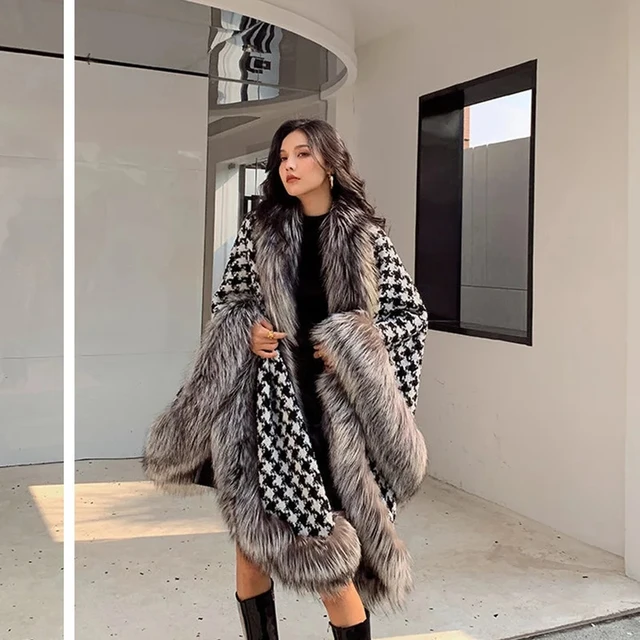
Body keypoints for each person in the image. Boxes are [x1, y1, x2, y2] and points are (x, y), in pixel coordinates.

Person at [142, 118, 429, 640]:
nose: (289, 166)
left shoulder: (367, 239)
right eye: (282, 158)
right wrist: (247, 328)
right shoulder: (261, 233)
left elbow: (410, 318)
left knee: (332, 571)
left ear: (330, 162)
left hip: (332, 426)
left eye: (302, 155)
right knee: (252, 549)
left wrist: (350, 345)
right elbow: (228, 302)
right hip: (267, 415)